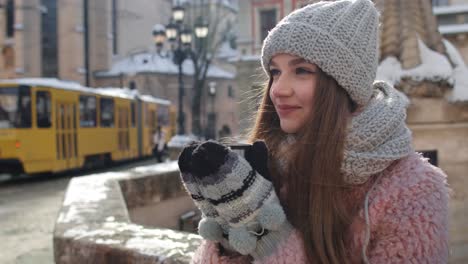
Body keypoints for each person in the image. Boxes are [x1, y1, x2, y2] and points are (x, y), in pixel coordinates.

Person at [178, 0, 450, 263]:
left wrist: (269, 239)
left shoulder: (410, 189)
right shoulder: (270, 164)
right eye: (275, 71)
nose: (278, 89)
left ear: (343, 85)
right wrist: (228, 235)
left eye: (302, 71)